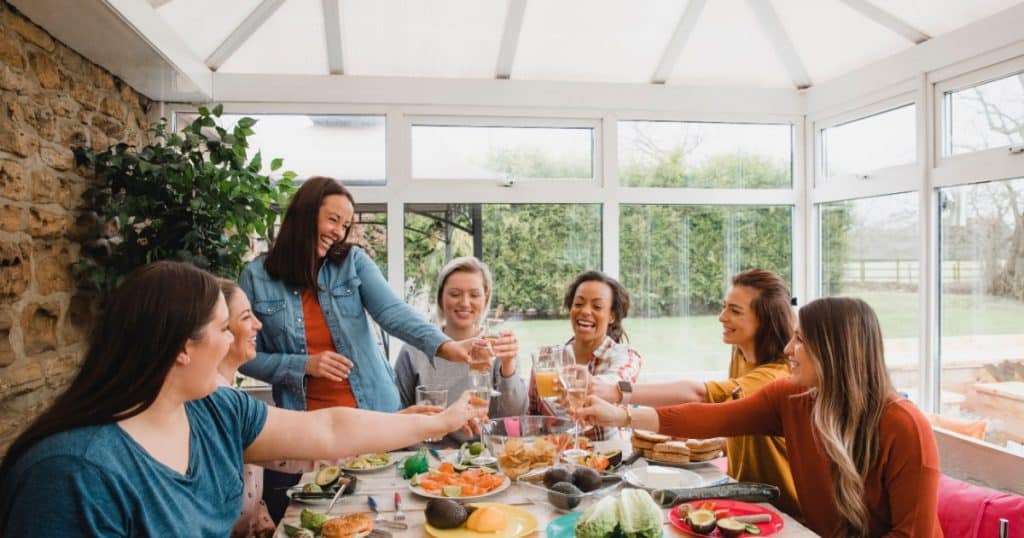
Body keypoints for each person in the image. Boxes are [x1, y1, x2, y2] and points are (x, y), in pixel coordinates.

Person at [0, 261, 485, 536]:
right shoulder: (71, 474)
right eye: (221, 329)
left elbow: (328, 430)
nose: (237, 343)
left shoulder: (211, 409)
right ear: (180, 349)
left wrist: (439, 422)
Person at [577, 297, 941, 537]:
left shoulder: (905, 427)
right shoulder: (791, 398)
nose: (787, 350)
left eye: (799, 341)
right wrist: (621, 415)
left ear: (834, 352)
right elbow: (709, 418)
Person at [216, 279, 452, 537]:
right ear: (216, 330)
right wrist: (440, 422)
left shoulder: (229, 399)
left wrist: (399, 421)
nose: (259, 324)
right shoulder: (218, 405)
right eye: (246, 317)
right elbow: (326, 434)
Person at [239, 176, 477, 414]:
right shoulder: (256, 278)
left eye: (345, 226)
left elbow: (392, 312)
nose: (338, 233)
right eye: (333, 220)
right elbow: (246, 357)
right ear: (305, 215)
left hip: (374, 412)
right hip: (307, 424)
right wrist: (304, 365)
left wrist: (447, 346)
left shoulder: (352, 262)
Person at [589, 269, 800, 518]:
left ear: (765, 320)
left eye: (735, 310)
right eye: (724, 306)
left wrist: (618, 397)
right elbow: (741, 420)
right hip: (743, 496)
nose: (722, 317)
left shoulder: (774, 376)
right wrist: (716, 445)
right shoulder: (743, 354)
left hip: (782, 509)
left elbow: (700, 395)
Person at [395, 257, 528, 447]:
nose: (465, 303)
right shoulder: (414, 351)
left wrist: (508, 365)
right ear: (441, 297)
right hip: (426, 460)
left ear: (486, 297)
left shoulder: (498, 347)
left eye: (474, 295)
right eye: (455, 294)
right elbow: (399, 417)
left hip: (483, 458)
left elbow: (513, 418)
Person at [529, 270, 642, 440]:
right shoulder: (547, 358)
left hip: (608, 459)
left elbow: (614, 384)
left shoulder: (626, 356)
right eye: (579, 304)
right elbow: (532, 416)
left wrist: (580, 388)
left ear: (612, 315)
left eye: (597, 306)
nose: (585, 311)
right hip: (555, 459)